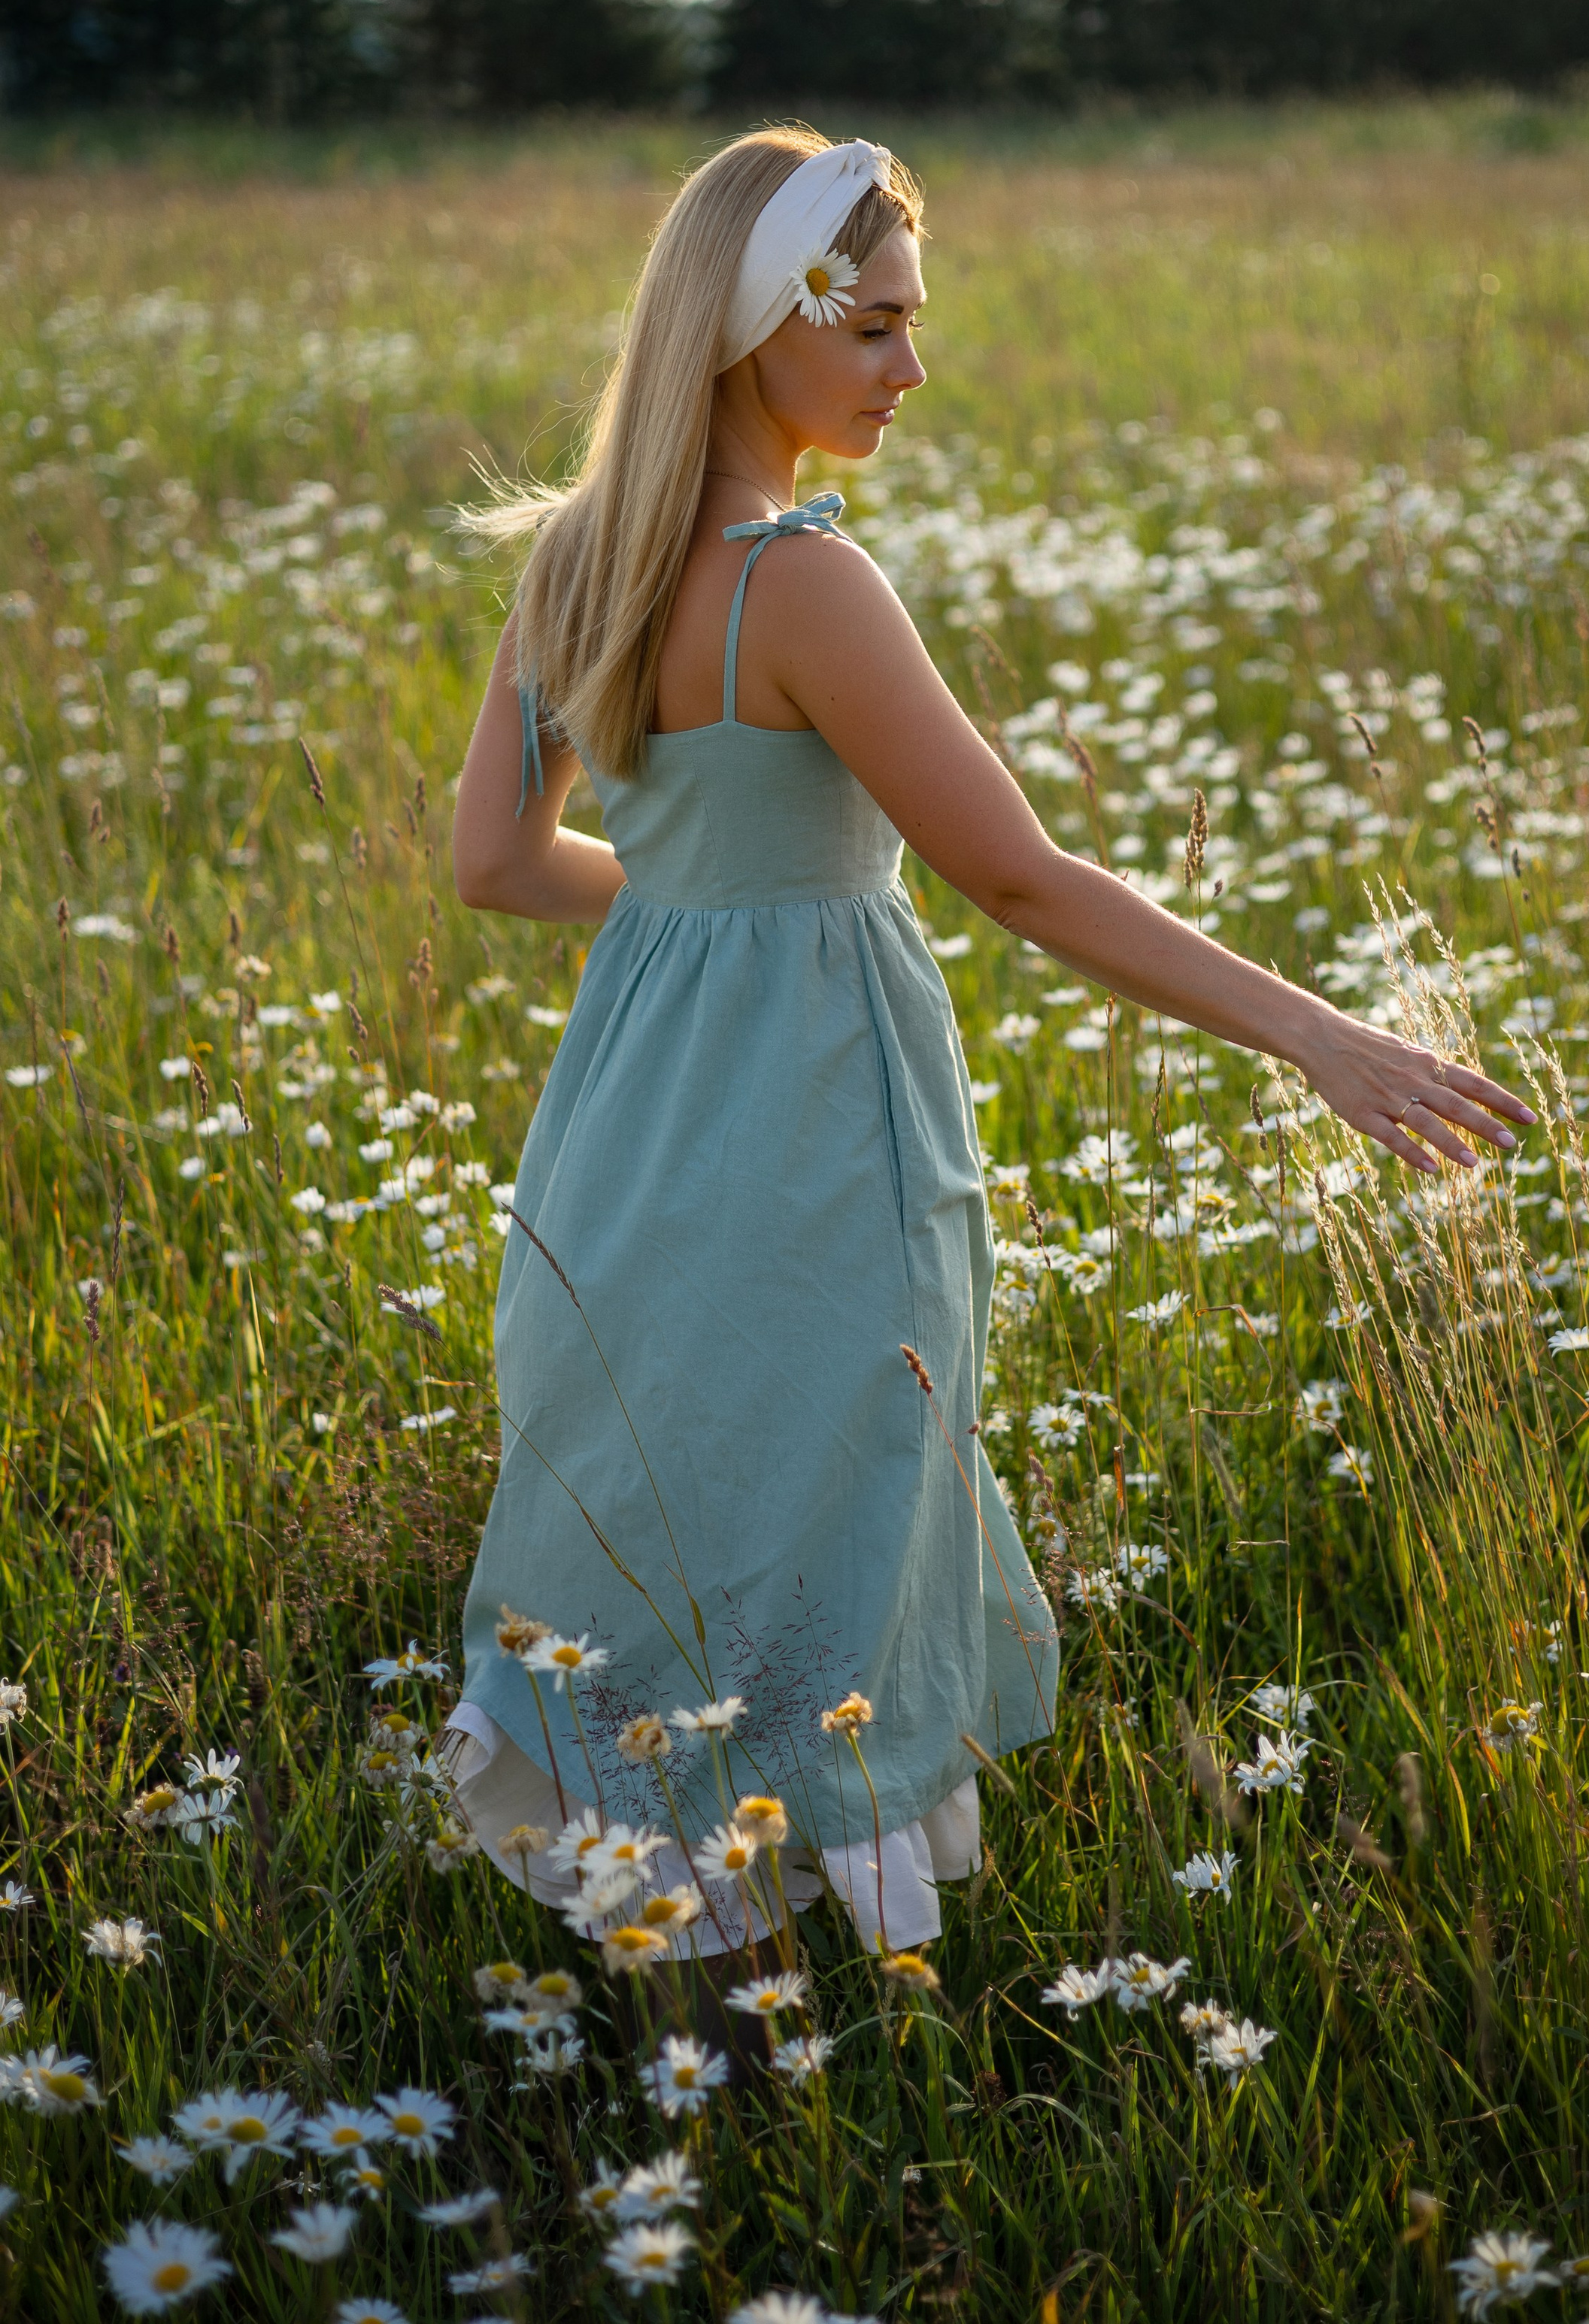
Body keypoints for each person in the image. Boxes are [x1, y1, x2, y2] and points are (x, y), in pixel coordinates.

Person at [443, 125, 1534, 2003]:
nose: (910, 367)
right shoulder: (800, 582)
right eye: (872, 324)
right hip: (809, 1130)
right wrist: (1319, 1034)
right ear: (755, 327)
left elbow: (495, 864)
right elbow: (1017, 877)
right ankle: (793, 2022)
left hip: (621, 1134)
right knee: (828, 1512)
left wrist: (710, 902)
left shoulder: (579, 556)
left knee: (674, 1503)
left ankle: (687, 1976)